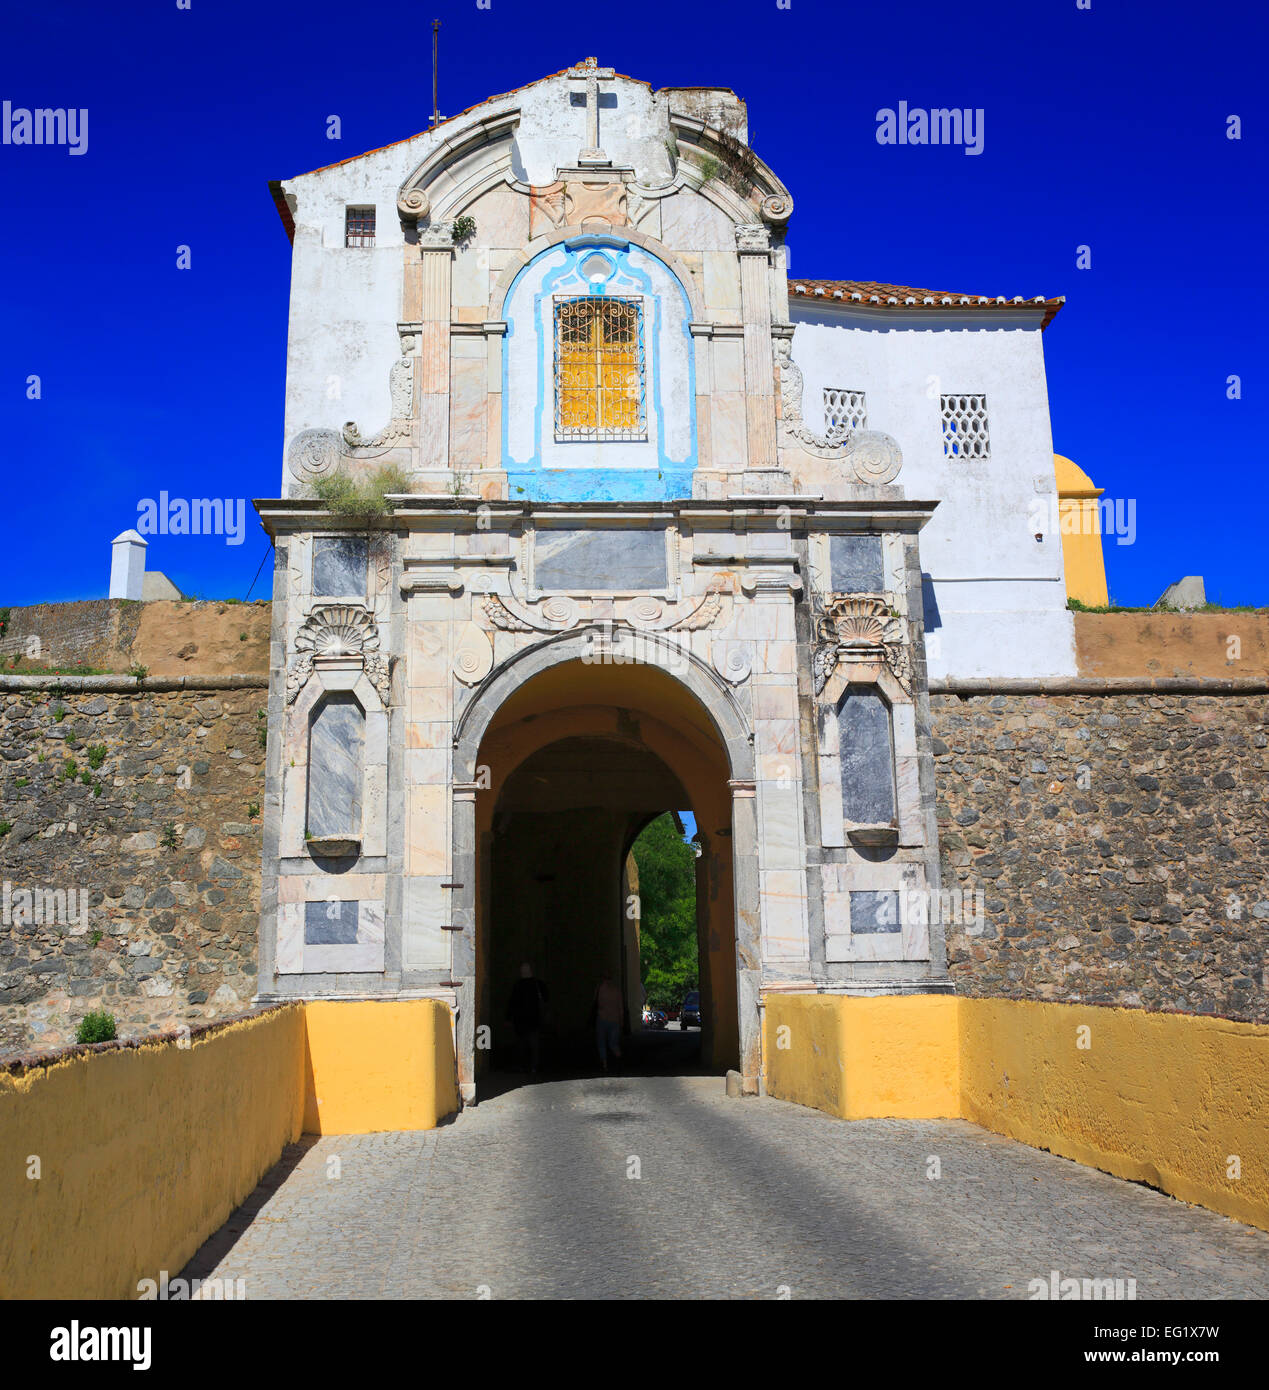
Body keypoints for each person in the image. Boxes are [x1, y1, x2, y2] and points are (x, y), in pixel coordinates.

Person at [505, 962, 549, 1075]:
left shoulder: (517, 985)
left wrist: (508, 1018)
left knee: (521, 1045)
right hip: (535, 1019)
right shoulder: (538, 984)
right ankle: (534, 1067)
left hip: (520, 1021)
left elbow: (512, 1003)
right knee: (534, 1045)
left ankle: (522, 1066)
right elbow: (546, 1000)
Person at [594, 973, 623, 1071]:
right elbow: (621, 1008)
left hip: (602, 1018)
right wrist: (621, 1021)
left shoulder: (600, 989)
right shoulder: (617, 991)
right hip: (615, 1020)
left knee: (601, 1042)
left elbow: (596, 1002)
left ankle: (604, 1064)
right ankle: (619, 1060)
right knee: (613, 1043)